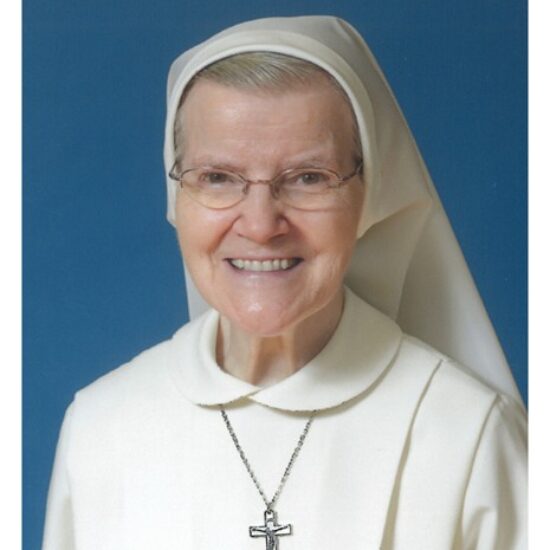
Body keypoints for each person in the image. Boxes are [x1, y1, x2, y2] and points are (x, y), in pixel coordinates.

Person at [42, 16, 527, 550]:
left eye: (308, 178)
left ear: (369, 194)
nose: (260, 225)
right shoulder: (100, 427)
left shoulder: (469, 434)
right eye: (217, 177)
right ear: (176, 198)